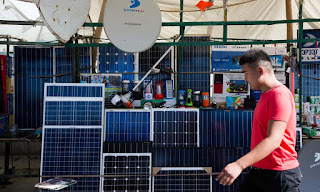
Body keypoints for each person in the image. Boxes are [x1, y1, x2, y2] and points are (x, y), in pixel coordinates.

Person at [216, 49, 301, 192]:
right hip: (260, 170)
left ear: (260, 71)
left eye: (245, 73)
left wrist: (239, 165)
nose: (244, 79)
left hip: (279, 174)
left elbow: (274, 140)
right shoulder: (265, 95)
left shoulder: (279, 95)